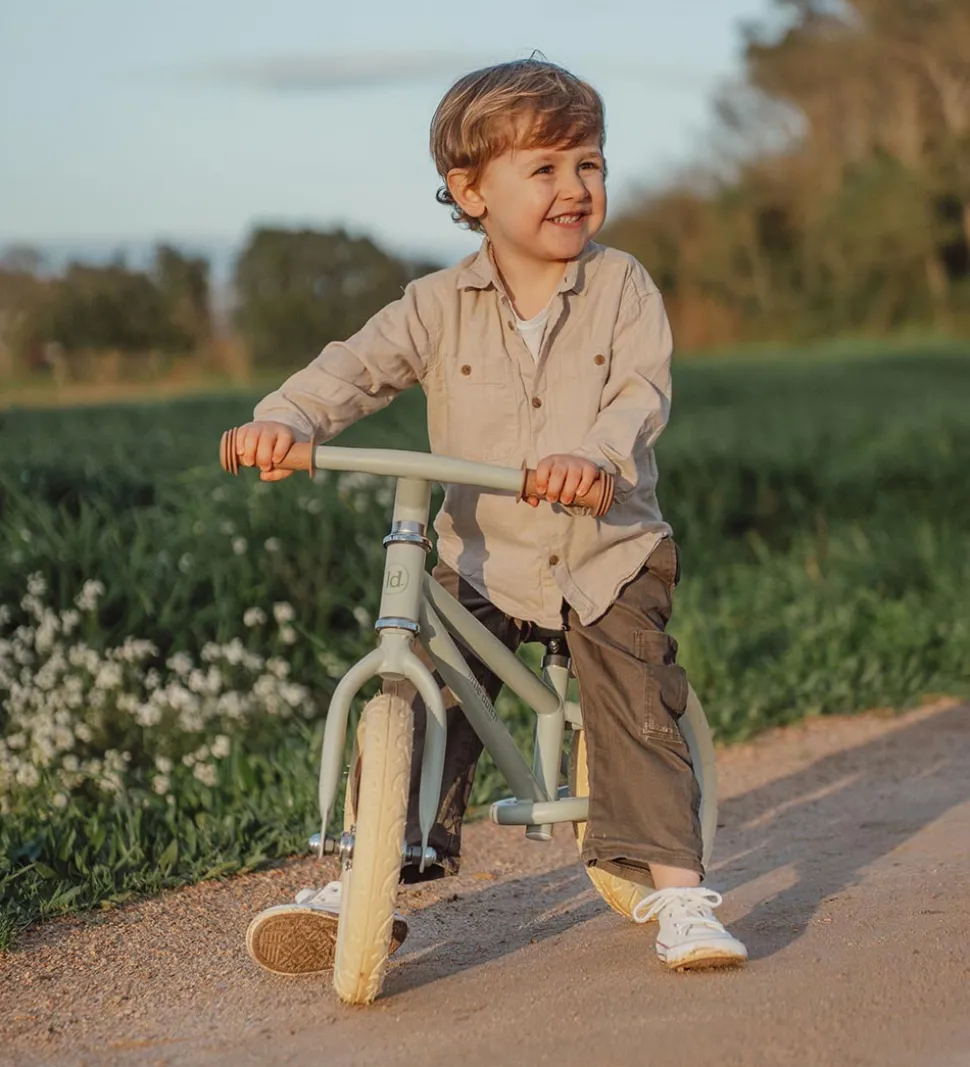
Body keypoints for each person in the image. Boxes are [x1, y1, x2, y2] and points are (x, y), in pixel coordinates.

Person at [236, 57, 747, 975]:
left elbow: (637, 394)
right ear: (469, 191)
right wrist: (286, 419)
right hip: (483, 555)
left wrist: (591, 456)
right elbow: (355, 366)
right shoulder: (436, 304)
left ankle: (679, 891)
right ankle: (371, 875)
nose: (574, 187)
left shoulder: (623, 285)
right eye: (544, 168)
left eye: (588, 164)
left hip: (606, 548)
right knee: (422, 689)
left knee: (633, 698)